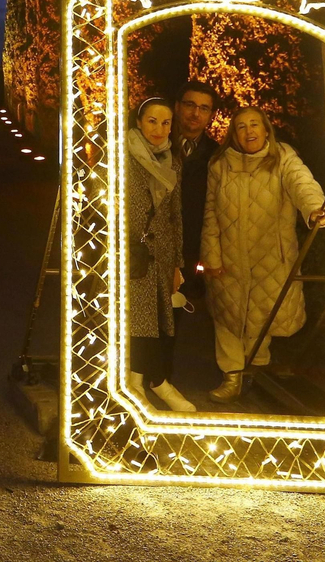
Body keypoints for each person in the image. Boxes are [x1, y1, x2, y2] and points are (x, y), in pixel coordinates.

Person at [200, 105, 325, 403]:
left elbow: (302, 183)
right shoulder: (220, 164)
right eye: (242, 126)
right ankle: (232, 376)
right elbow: (210, 213)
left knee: (261, 318)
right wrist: (212, 256)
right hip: (229, 257)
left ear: (266, 129)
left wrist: (314, 209)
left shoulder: (283, 157)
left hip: (270, 256)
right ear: (233, 133)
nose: (249, 131)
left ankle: (254, 371)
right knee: (229, 319)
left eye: (254, 125)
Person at [125, 97, 197, 413]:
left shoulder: (173, 161)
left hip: (162, 251)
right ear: (139, 121)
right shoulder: (123, 156)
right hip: (133, 250)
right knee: (137, 321)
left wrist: (178, 263)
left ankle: (147, 380)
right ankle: (144, 384)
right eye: (152, 121)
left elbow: (175, 214)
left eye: (166, 122)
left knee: (159, 320)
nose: (158, 128)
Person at [173, 81, 219, 292]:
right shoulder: (156, 145)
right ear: (177, 107)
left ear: (211, 114)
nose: (195, 113)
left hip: (195, 251)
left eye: (204, 108)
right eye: (190, 105)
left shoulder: (218, 155)